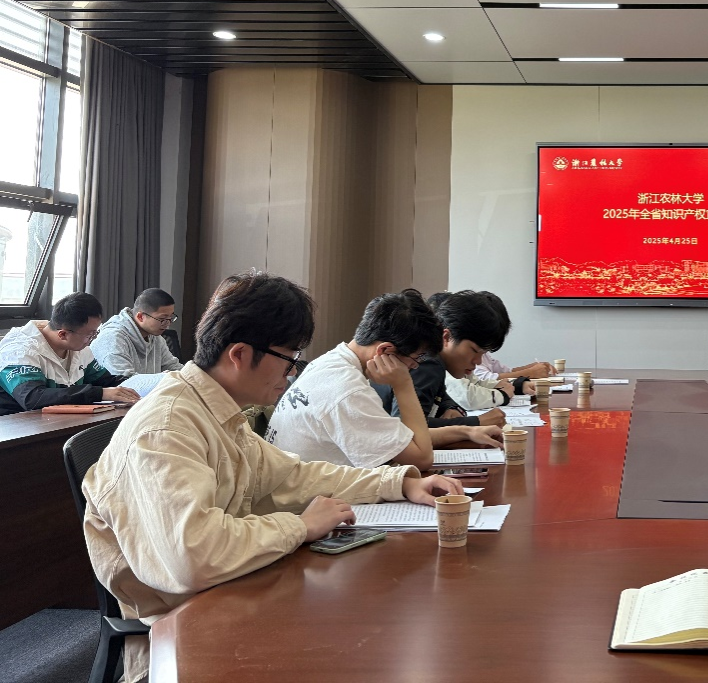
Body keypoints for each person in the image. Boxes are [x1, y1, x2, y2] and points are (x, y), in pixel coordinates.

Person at [81, 272, 463, 683]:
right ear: (240, 354)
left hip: (232, 594)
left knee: (377, 624)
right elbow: (192, 557)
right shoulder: (167, 428)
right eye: (288, 357)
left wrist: (400, 484)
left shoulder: (216, 410)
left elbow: (292, 475)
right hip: (186, 634)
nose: (292, 372)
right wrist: (301, 526)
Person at [266, 289, 503, 468]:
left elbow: (398, 440)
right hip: (307, 507)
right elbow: (421, 458)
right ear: (385, 351)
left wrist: (465, 431)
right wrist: (403, 384)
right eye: (416, 359)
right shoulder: (348, 390)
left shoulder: (332, 362)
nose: (415, 367)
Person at [379, 290, 510, 427]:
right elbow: (407, 426)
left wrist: (450, 407)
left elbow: (439, 395)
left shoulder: (436, 361)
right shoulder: (427, 362)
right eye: (474, 351)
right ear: (446, 337)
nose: (478, 361)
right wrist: (475, 422)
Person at [0, 291, 137, 414]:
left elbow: (106, 381)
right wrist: (99, 393)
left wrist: (141, 382)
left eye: (95, 333)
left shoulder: (78, 348)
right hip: (15, 426)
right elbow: (33, 398)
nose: (92, 340)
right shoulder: (19, 352)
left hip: (57, 422)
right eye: (89, 335)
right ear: (63, 334)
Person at [91, 287, 182, 376]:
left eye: (170, 317)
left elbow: (173, 367)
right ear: (140, 317)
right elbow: (123, 380)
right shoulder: (112, 339)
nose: (168, 323)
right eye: (162, 319)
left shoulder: (156, 338)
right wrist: (162, 378)